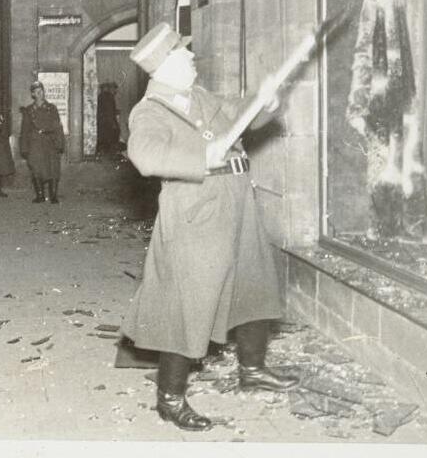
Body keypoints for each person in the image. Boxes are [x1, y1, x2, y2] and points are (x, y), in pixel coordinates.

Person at [120, 22, 297, 432]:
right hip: (195, 212)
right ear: (165, 66)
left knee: (254, 284)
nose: (192, 56)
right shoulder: (149, 111)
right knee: (188, 304)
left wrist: (266, 100)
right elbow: (144, 155)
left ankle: (252, 371)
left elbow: (242, 112)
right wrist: (204, 155)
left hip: (237, 202)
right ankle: (170, 398)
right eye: (184, 53)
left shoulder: (199, 97)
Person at [19, 80, 65, 203]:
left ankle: (53, 196)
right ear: (33, 94)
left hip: (50, 141)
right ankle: (40, 195)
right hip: (35, 142)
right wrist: (24, 148)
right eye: (37, 92)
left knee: (53, 168)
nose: (40, 94)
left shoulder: (51, 108)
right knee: (36, 167)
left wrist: (60, 143)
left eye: (42, 91)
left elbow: (58, 126)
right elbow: (24, 130)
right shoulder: (29, 110)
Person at [97, 81, 121, 154]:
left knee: (103, 140)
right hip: (108, 123)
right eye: (115, 89)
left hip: (102, 122)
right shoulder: (109, 97)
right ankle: (111, 154)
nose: (116, 91)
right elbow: (109, 111)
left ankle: (104, 153)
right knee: (113, 136)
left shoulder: (100, 96)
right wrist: (113, 124)